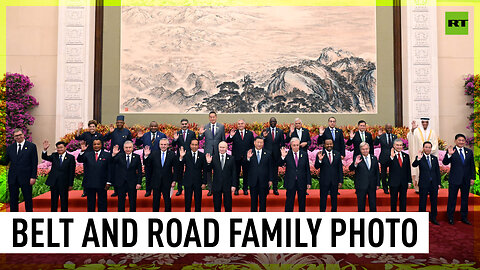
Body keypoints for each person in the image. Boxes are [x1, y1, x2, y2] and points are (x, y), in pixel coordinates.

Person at [443, 134, 475, 225]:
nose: (461, 142)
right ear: (455, 141)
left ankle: (464, 217)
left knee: (465, 199)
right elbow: (445, 162)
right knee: (452, 199)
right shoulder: (451, 151)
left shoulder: (469, 151)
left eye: (463, 140)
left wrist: (472, 178)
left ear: (465, 141)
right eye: (459, 140)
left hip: (466, 180)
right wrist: (449, 155)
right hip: (454, 179)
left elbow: (472, 165)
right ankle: (450, 217)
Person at [3, 129, 38, 212]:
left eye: (20, 135)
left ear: (23, 134)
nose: (18, 137)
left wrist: (33, 177)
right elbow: (5, 161)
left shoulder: (31, 146)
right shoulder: (10, 148)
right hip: (13, 178)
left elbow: (34, 162)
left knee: (28, 198)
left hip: (26, 177)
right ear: (14, 137)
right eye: (16, 136)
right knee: (13, 199)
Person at [77, 139, 112, 212]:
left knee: (102, 203)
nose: (96, 146)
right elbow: (79, 160)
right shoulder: (87, 154)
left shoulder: (107, 155)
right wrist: (82, 151)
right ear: (92, 146)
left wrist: (109, 182)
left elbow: (110, 169)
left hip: (102, 183)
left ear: (101, 145)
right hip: (90, 183)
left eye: (98, 144)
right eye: (94, 144)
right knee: (90, 203)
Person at [143, 138, 178, 212]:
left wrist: (174, 180)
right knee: (155, 200)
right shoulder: (154, 154)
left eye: (165, 144)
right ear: (159, 145)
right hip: (156, 181)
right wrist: (146, 156)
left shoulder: (172, 154)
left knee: (167, 200)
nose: (163, 146)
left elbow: (176, 169)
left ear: (168, 145)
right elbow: (147, 165)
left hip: (167, 181)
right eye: (161, 144)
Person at [102, 115, 132, 197]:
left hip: (124, 155)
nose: (119, 124)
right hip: (114, 155)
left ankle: (124, 191)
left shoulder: (127, 132)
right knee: (115, 173)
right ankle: (116, 191)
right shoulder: (113, 131)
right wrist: (109, 132)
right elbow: (104, 139)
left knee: (123, 173)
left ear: (123, 123)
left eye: (120, 122)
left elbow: (130, 142)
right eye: (117, 122)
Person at [412, 141, 441, 225]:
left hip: (434, 184)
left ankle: (433, 218)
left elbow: (437, 171)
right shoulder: (420, 157)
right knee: (422, 201)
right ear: (423, 148)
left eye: (429, 147)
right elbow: (414, 165)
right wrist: (418, 158)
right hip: (424, 183)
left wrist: (438, 183)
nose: (428, 149)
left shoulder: (434, 158)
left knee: (434, 202)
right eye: (426, 147)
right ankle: (421, 219)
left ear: (431, 149)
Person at [42, 140, 75, 212]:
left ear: (65, 148)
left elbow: (72, 172)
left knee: (64, 201)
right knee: (54, 201)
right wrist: (45, 149)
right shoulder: (54, 155)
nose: (59, 149)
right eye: (58, 148)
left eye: (61, 147)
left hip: (64, 183)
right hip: (54, 183)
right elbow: (45, 157)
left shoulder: (70, 157)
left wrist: (70, 184)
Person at [135, 121, 166, 197]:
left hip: (158, 159)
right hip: (147, 158)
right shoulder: (145, 135)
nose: (153, 128)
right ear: (149, 127)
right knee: (148, 175)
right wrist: (138, 138)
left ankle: (160, 190)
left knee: (158, 175)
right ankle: (148, 191)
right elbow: (138, 144)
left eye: (155, 126)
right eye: (152, 126)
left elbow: (165, 145)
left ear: (157, 127)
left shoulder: (162, 135)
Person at [279, 138, 312, 212]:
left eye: (297, 145)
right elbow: (280, 164)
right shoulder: (287, 154)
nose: (296, 147)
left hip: (302, 182)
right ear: (291, 146)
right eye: (294, 145)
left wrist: (308, 182)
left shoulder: (304, 154)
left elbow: (307, 169)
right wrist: (283, 157)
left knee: (302, 202)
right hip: (291, 182)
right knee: (289, 202)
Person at [408, 117, 438, 193]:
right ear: (421, 123)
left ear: (428, 123)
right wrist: (412, 130)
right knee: (419, 172)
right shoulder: (417, 131)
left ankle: (430, 188)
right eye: (423, 122)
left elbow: (435, 144)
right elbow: (411, 138)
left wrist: (429, 151)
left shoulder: (432, 132)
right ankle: (418, 188)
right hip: (420, 157)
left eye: (426, 122)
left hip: (429, 156)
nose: (425, 124)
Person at [198, 111, 225, 196]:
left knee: (218, 170)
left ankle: (218, 188)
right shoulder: (205, 127)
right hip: (208, 153)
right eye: (211, 117)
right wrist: (200, 134)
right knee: (208, 171)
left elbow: (223, 139)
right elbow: (200, 138)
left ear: (216, 117)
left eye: (214, 117)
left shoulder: (221, 126)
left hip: (218, 152)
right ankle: (210, 189)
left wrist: (223, 149)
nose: (212, 118)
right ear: (209, 118)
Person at [111, 141, 142, 212]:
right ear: (123, 148)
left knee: (132, 201)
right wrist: (113, 155)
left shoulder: (136, 157)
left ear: (132, 148)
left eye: (130, 147)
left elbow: (139, 171)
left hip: (132, 183)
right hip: (121, 183)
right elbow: (111, 163)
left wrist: (139, 183)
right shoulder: (119, 156)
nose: (128, 149)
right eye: (126, 148)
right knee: (121, 202)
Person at [205, 141, 236, 212]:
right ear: (218, 148)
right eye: (220, 147)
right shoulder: (214, 158)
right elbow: (208, 170)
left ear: (227, 148)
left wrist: (234, 185)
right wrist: (209, 163)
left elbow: (234, 172)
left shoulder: (231, 158)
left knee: (228, 205)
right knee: (216, 206)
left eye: (223, 147)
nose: (222, 149)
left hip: (227, 185)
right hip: (216, 185)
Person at [226, 119, 254, 195]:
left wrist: (251, 154)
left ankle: (245, 189)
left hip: (246, 157)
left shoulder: (250, 133)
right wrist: (231, 136)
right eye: (239, 124)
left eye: (242, 123)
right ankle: (236, 189)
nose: (240, 125)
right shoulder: (234, 133)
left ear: (244, 124)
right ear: (237, 125)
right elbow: (228, 141)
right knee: (236, 174)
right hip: (236, 157)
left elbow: (252, 145)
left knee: (246, 173)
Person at [75, 120, 103, 198]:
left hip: (97, 156)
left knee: (98, 173)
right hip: (87, 157)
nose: (92, 128)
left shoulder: (99, 135)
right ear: (88, 127)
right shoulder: (85, 134)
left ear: (96, 127)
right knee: (87, 174)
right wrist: (79, 129)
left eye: (93, 126)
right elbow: (77, 137)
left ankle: (97, 189)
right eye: (90, 127)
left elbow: (102, 146)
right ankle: (85, 191)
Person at [178, 139, 207, 212]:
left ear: (198, 145)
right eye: (193, 144)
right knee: (187, 200)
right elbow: (180, 167)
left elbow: (205, 170)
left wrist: (204, 182)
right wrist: (181, 158)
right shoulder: (186, 154)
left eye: (196, 145)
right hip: (188, 181)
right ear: (190, 145)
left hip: (198, 182)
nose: (194, 146)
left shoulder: (202, 155)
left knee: (198, 201)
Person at [314, 139, 343, 212]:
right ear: (324, 145)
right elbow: (316, 166)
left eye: (331, 144)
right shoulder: (320, 154)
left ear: (333, 144)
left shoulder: (337, 154)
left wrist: (340, 181)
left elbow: (340, 168)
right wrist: (320, 160)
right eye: (327, 144)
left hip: (334, 181)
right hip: (324, 181)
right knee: (323, 198)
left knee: (334, 198)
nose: (329, 145)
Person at [349, 142, 379, 212]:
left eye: (366, 149)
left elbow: (376, 172)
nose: (365, 150)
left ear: (369, 149)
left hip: (372, 185)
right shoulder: (357, 158)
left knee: (373, 204)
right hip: (361, 185)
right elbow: (350, 169)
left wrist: (377, 183)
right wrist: (355, 163)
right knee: (361, 204)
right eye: (363, 149)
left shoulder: (374, 158)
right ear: (360, 150)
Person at [246, 137, 273, 212]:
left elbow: (270, 168)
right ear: (254, 142)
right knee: (253, 201)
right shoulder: (249, 153)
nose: (259, 144)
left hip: (264, 181)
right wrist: (248, 158)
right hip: (253, 181)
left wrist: (270, 179)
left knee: (263, 201)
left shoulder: (268, 153)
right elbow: (245, 167)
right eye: (258, 142)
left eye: (261, 142)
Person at [172, 118, 197, 196]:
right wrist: (175, 140)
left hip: (189, 155)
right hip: (180, 155)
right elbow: (173, 145)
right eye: (183, 124)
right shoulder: (178, 133)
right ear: (181, 125)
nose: (184, 125)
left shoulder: (192, 133)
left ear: (188, 124)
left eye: (185, 124)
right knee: (179, 172)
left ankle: (190, 187)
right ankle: (179, 189)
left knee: (190, 171)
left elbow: (195, 143)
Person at [386, 139, 412, 212]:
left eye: (400, 145)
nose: (399, 147)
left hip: (403, 182)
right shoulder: (390, 155)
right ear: (394, 146)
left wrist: (409, 181)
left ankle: (402, 215)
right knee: (393, 200)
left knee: (403, 200)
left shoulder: (406, 156)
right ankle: (394, 216)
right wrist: (391, 157)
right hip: (394, 182)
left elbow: (408, 169)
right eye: (397, 145)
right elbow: (385, 165)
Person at [262, 117, 285, 195]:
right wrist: (264, 137)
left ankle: (275, 189)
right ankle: (267, 188)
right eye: (271, 121)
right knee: (266, 172)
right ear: (269, 122)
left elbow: (282, 143)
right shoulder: (265, 131)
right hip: (267, 155)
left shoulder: (280, 131)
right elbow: (260, 141)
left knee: (275, 173)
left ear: (276, 122)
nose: (273, 123)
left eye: (274, 121)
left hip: (276, 155)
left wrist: (282, 151)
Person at [373, 124, 397, 194]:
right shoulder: (382, 136)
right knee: (383, 175)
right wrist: (378, 136)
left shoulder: (394, 136)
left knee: (392, 174)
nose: (389, 129)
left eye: (390, 128)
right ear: (385, 129)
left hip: (392, 158)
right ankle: (385, 188)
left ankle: (392, 187)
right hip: (384, 158)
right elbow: (376, 143)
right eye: (388, 128)